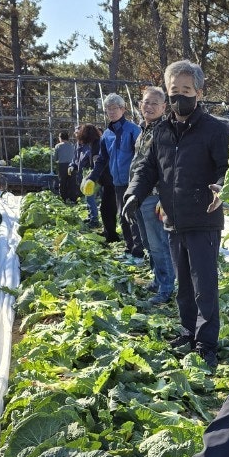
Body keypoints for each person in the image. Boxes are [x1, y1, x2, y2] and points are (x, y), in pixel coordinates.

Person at [123, 59, 229, 368]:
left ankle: (206, 343)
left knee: (204, 287)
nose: (179, 96)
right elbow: (147, 168)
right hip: (173, 219)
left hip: (204, 219)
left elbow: (227, 167)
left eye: (186, 89)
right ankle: (187, 331)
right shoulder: (162, 132)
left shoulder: (214, 130)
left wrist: (222, 187)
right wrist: (133, 194)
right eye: (174, 90)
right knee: (184, 284)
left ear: (198, 92)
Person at [130, 86, 175, 304]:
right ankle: (158, 280)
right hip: (140, 195)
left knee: (159, 244)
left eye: (154, 103)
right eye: (146, 102)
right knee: (148, 243)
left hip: (154, 196)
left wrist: (164, 199)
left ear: (164, 107)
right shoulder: (143, 130)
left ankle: (166, 288)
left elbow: (166, 167)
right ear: (140, 105)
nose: (149, 106)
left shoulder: (163, 131)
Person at [99, 93, 144, 257]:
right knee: (123, 216)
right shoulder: (106, 134)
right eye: (108, 109)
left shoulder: (133, 130)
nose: (111, 112)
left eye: (114, 108)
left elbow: (141, 157)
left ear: (123, 109)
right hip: (117, 182)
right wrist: (91, 176)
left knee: (134, 216)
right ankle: (129, 246)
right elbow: (102, 159)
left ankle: (138, 251)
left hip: (133, 181)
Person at [73, 124, 102, 227]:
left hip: (97, 175)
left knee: (91, 197)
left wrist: (93, 176)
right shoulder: (91, 144)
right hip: (91, 173)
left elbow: (97, 161)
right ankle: (91, 216)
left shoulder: (97, 144)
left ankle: (94, 220)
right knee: (88, 197)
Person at [52, 130, 79, 203]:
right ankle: (73, 199)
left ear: (60, 138)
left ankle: (63, 198)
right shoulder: (72, 145)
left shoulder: (58, 146)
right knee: (72, 182)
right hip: (72, 165)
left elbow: (55, 158)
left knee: (62, 182)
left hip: (62, 165)